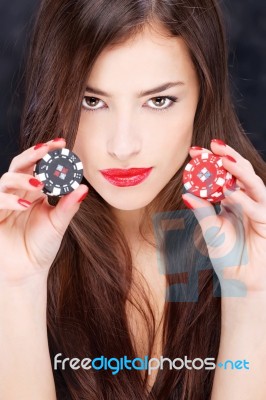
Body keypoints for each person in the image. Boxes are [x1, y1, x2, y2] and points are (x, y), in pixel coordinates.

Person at [0, 0, 266, 399]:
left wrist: (251, 298)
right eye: (92, 101)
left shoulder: (247, 238)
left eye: (158, 101)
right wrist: (18, 285)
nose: (122, 146)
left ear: (203, 97)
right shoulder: (17, 243)